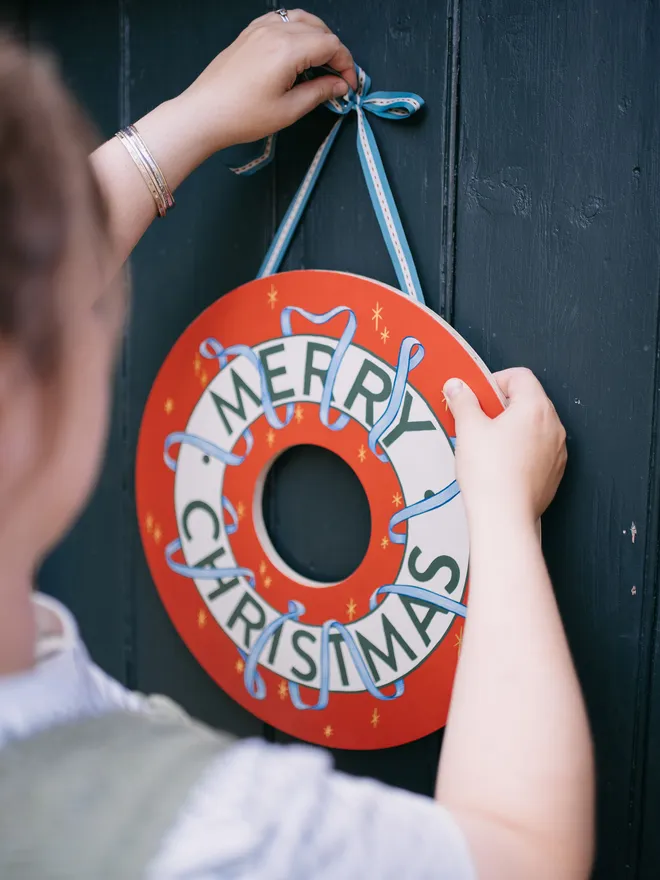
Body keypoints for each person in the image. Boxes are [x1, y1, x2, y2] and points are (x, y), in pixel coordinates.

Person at [0, 8, 594, 879]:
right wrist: (500, 512)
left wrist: (189, 121)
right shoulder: (219, 836)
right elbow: (524, 859)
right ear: (48, 405)